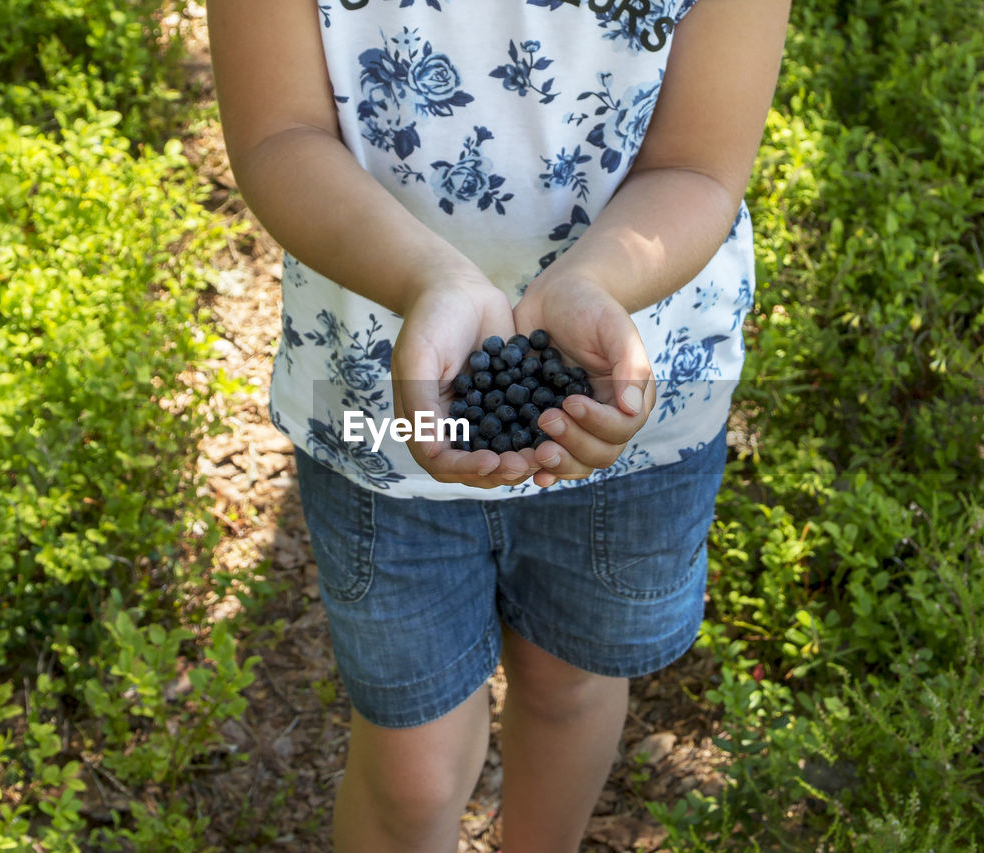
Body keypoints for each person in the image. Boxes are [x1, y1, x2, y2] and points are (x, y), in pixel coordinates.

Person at [207, 1, 790, 850]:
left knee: (570, 687)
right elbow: (276, 134)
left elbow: (698, 165)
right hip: (378, 406)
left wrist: (594, 284)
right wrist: (428, 281)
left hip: (624, 400)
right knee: (415, 768)